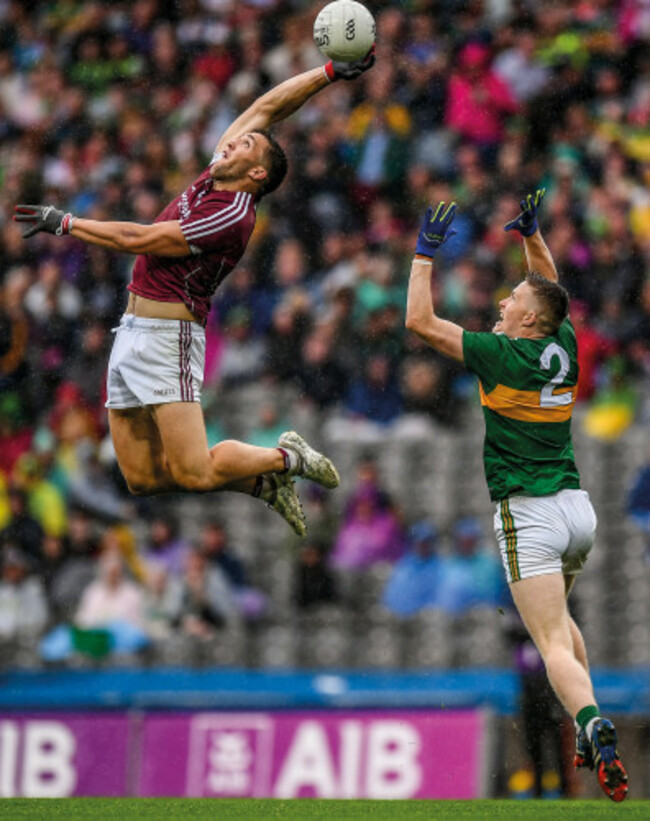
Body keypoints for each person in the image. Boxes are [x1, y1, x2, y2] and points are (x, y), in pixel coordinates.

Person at [13, 51, 376, 537]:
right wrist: (329, 73)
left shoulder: (232, 214)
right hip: (132, 329)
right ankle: (261, 486)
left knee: (194, 470)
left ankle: (287, 456)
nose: (232, 141)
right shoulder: (220, 171)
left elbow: (137, 239)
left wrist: (68, 223)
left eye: (245, 146)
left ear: (257, 174)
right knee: (142, 479)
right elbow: (268, 108)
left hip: (170, 337)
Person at [405, 190, 628, 802]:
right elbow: (550, 290)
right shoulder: (563, 344)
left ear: (528, 320)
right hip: (576, 514)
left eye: (514, 300)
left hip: (527, 513)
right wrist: (532, 238)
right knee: (562, 627)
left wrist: (424, 254)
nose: (504, 302)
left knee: (551, 641)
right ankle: (590, 722)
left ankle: (589, 722)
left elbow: (419, 323)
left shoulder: (501, 354)